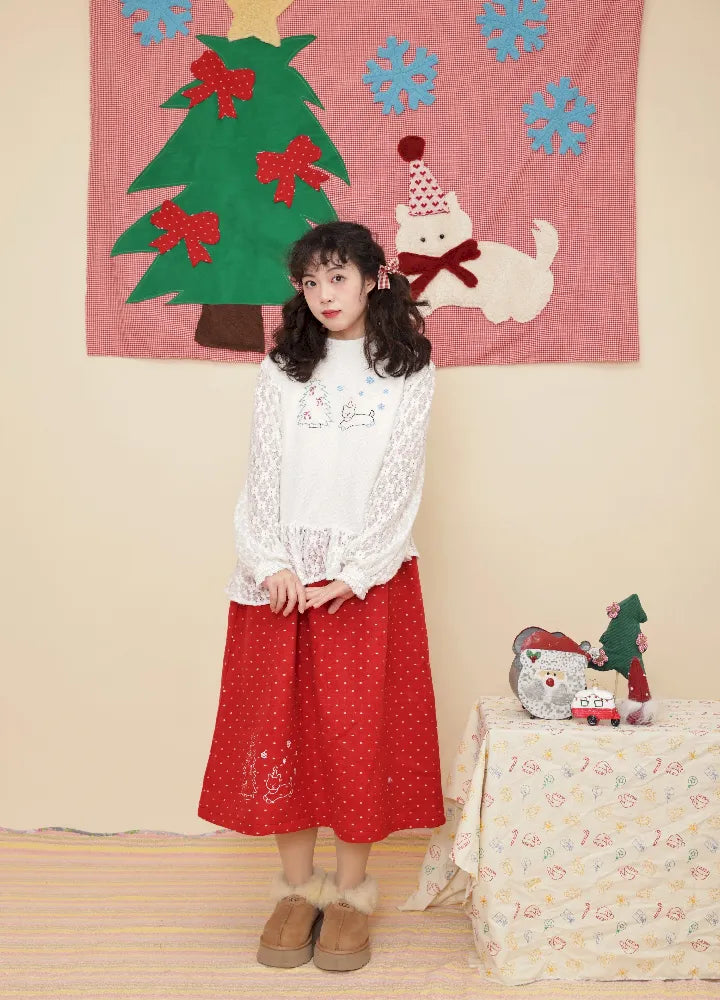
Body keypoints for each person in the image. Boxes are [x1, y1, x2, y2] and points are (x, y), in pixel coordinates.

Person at [197, 221, 446, 973]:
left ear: (373, 279)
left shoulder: (409, 370)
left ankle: (349, 893)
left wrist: (357, 570)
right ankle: (297, 889)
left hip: (362, 580)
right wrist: (269, 561)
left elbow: (401, 476)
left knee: (355, 736)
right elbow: (262, 470)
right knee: (283, 733)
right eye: (311, 281)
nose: (324, 294)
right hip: (280, 581)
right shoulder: (282, 368)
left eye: (338, 277)